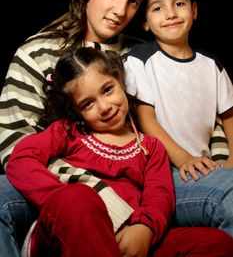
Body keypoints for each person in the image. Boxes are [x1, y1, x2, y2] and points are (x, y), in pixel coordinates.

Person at [0, 0, 156, 256]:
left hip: (142, 178)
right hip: (58, 183)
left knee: (227, 188)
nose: (120, 11)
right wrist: (96, 192)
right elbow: (15, 144)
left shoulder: (143, 56)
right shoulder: (35, 53)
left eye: (133, 1)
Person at [6, 47, 233, 256]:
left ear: (120, 81)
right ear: (76, 111)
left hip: (127, 237)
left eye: (107, 90)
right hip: (70, 234)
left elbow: (159, 194)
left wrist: (145, 227)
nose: (105, 107)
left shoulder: (150, 147)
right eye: (88, 104)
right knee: (79, 198)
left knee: (216, 242)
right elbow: (21, 159)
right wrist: (62, 198)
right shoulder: (69, 132)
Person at [124, 0, 233, 238]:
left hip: (204, 168)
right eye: (157, 8)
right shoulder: (139, 61)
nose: (171, 13)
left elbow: (229, 115)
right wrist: (184, 159)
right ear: (145, 23)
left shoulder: (211, 64)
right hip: (163, 173)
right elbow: (146, 120)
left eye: (179, 3)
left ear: (194, 11)